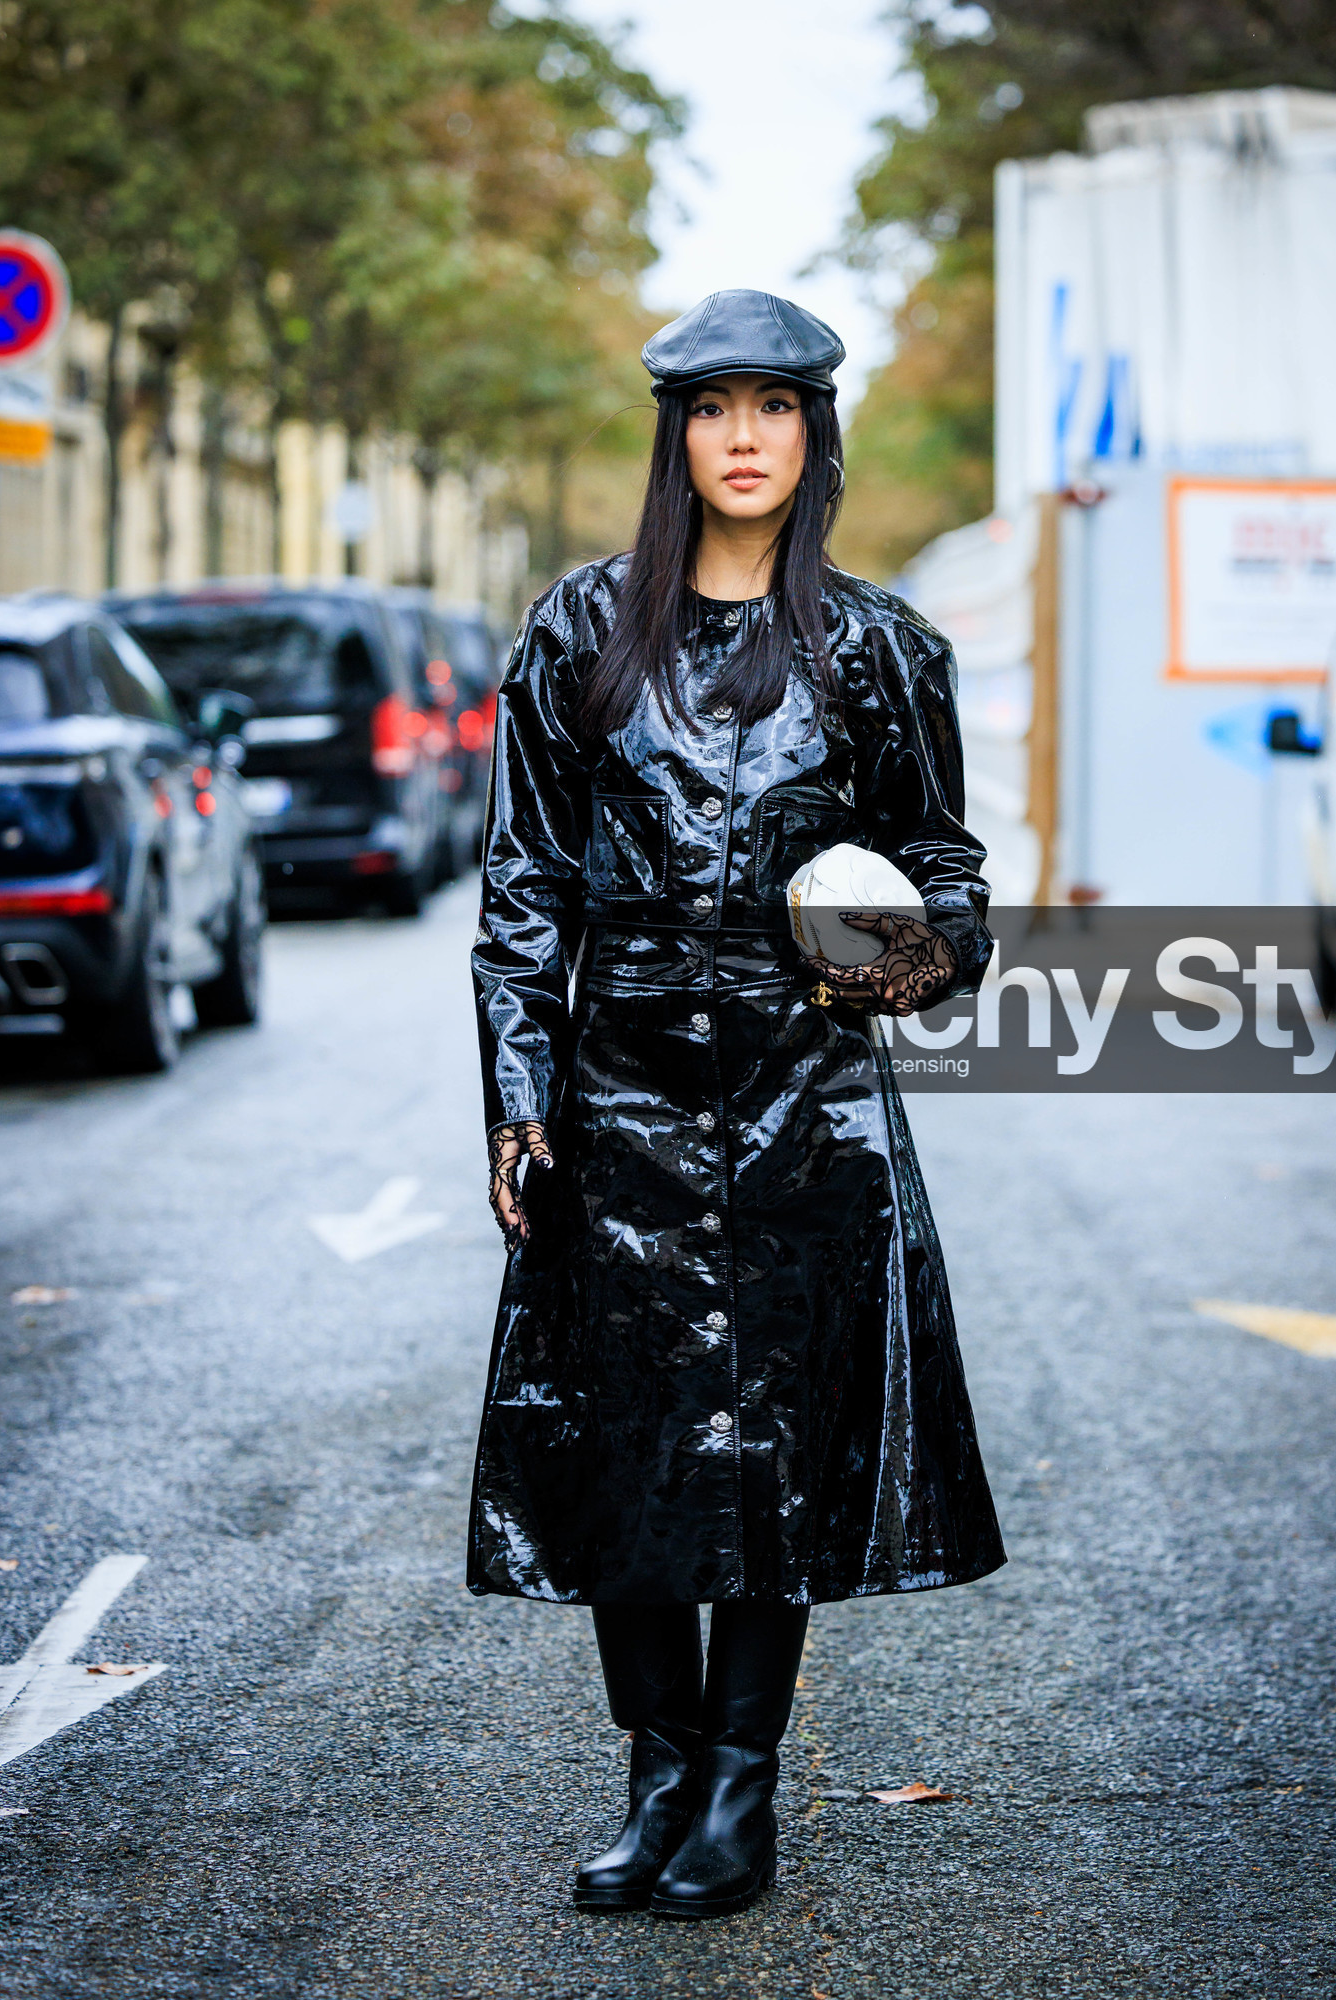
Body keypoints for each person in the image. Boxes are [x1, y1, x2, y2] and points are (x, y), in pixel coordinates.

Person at [468, 289, 1005, 1921]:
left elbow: (950, 877)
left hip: (806, 1120)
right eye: (716, 408)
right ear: (676, 435)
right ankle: (659, 1778)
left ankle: (740, 1796)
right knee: (631, 1454)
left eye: (777, 405)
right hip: (619, 1112)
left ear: (815, 431)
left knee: (770, 1461)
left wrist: (916, 958)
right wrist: (518, 1098)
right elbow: (525, 890)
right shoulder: (576, 637)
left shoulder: (882, 648)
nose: (747, 435)